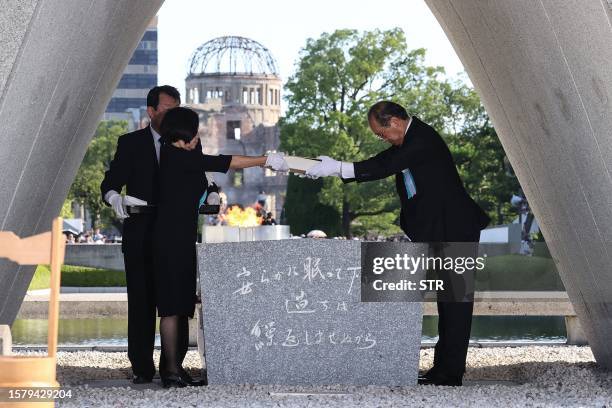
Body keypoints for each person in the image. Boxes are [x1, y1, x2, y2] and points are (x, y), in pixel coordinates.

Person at [306, 101, 490, 386]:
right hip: (440, 229)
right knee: (449, 301)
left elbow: (385, 166)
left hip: (455, 228)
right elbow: (381, 162)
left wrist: (339, 168)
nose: (383, 139)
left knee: (455, 303)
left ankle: (450, 373)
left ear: (393, 121)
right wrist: (337, 169)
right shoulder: (409, 141)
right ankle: (444, 369)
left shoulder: (422, 139)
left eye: (381, 134)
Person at [153, 106, 288, 388]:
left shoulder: (176, 154)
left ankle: (174, 367)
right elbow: (228, 162)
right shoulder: (179, 158)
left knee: (179, 304)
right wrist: (264, 159)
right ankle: (170, 372)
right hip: (170, 239)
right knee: (171, 305)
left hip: (179, 236)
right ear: (180, 134)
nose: (195, 139)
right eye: (192, 134)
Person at [100, 85, 184, 384]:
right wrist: (115, 199)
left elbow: (202, 178)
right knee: (141, 302)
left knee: (175, 301)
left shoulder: (186, 142)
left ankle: (174, 367)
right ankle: (142, 368)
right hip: (140, 233)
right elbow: (109, 183)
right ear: (151, 112)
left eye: (177, 108)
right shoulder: (130, 143)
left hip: (174, 233)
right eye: (168, 110)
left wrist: (210, 195)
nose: (174, 115)